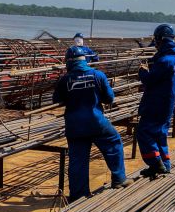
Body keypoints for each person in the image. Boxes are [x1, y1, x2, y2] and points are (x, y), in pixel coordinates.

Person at [53, 46, 131, 202]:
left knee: (77, 160)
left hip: (75, 126)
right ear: (85, 60)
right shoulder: (98, 75)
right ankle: (119, 178)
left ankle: (78, 195)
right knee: (114, 144)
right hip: (96, 122)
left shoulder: (65, 80)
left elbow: (56, 100)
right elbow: (109, 98)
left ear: (68, 62)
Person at [136, 23, 175, 178]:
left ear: (161, 40)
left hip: (156, 103)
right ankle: (165, 163)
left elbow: (150, 80)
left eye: (156, 40)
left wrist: (143, 72)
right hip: (168, 103)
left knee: (144, 132)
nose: (155, 43)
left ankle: (156, 163)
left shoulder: (165, 61)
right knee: (160, 134)